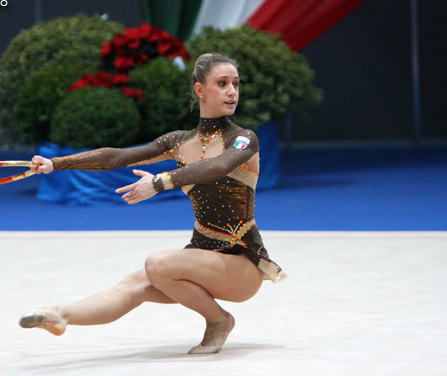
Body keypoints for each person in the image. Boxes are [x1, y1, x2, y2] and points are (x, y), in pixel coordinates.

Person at [20, 53, 286, 354]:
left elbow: (218, 167)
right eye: (222, 83)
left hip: (242, 263)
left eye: (235, 84)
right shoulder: (179, 142)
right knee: (135, 284)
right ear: (200, 90)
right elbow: (118, 157)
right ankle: (61, 314)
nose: (232, 92)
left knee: (158, 263)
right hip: (200, 257)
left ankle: (219, 320)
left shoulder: (242, 139)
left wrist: (159, 182)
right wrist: (57, 163)